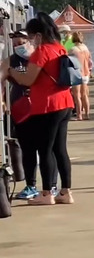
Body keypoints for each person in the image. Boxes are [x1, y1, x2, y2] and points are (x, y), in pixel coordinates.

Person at [7, 13, 74, 205]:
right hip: (64, 102)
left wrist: (11, 72)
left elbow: (28, 80)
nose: (28, 40)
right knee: (60, 149)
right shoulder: (59, 48)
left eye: (29, 36)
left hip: (47, 105)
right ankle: (65, 191)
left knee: (45, 150)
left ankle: (46, 194)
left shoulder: (41, 51)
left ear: (37, 35)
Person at [2, 31, 44, 200]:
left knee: (47, 149)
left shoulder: (39, 57)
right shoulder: (11, 60)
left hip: (41, 107)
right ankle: (31, 185)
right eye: (14, 45)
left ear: (29, 41)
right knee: (26, 148)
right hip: (20, 108)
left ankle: (52, 186)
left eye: (20, 43)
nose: (17, 47)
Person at [69, 32, 93, 120]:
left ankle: (79, 115)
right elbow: (90, 61)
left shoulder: (72, 50)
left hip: (77, 73)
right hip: (86, 73)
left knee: (77, 95)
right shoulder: (86, 48)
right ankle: (87, 114)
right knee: (85, 95)